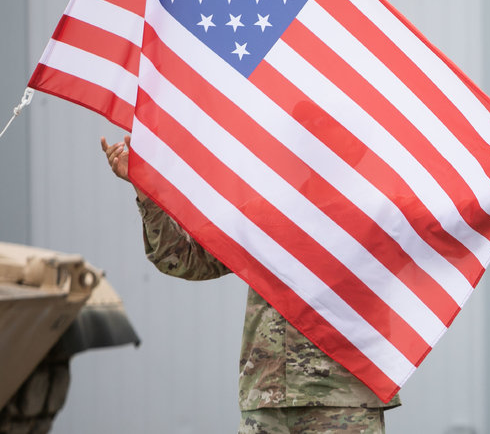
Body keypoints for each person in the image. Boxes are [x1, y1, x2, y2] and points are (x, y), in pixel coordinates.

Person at [101, 135, 399, 434]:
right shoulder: (265, 215)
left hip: (345, 401)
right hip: (267, 402)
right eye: (309, 144)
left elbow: (436, 242)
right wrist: (146, 192)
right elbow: (182, 257)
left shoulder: (378, 216)